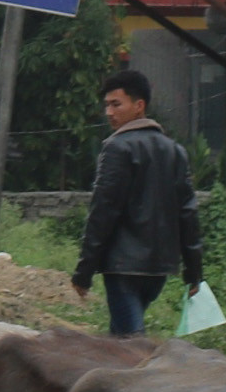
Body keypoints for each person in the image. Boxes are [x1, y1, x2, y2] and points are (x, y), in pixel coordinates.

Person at [70, 66, 204, 338]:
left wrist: (84, 271)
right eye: (107, 105)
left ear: (139, 105)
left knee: (132, 345)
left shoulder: (117, 148)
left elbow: (103, 212)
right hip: (159, 270)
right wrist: (194, 271)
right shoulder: (175, 151)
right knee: (122, 340)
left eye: (116, 104)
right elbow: (187, 214)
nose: (109, 112)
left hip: (123, 268)